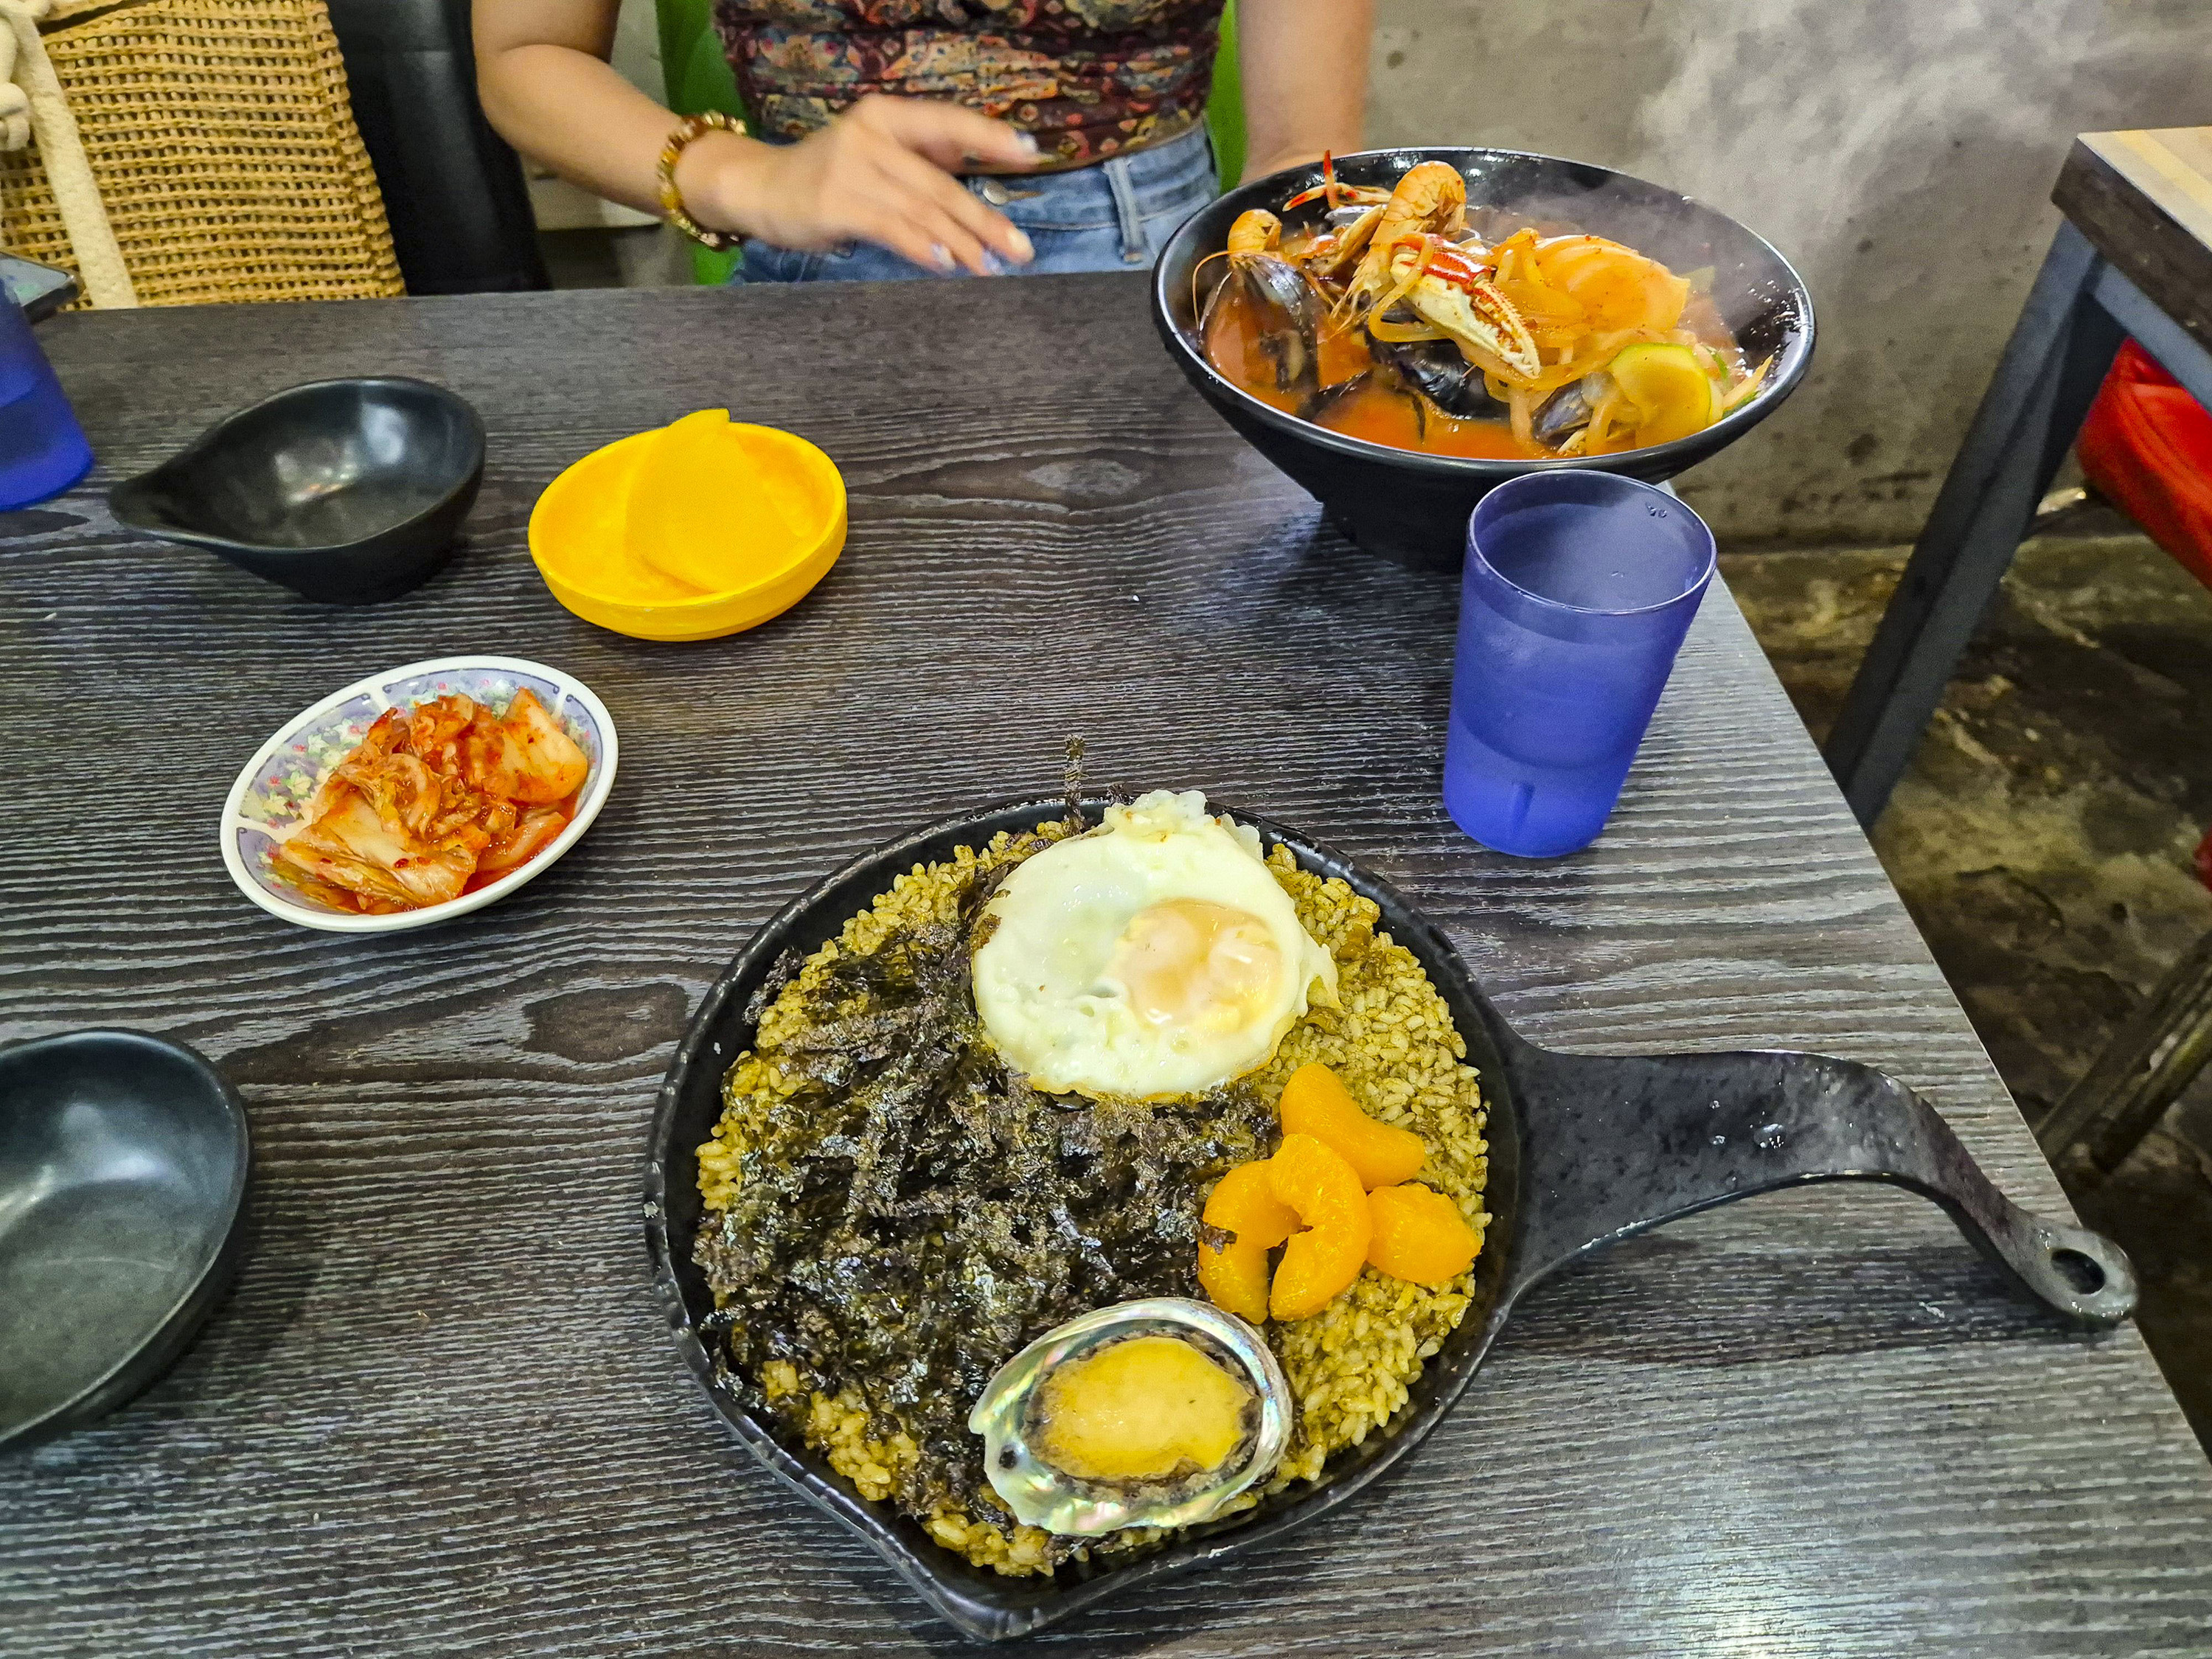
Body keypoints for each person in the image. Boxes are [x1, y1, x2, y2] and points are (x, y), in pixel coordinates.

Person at [476, 1, 1371, 284]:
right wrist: (745, 178)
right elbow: (527, 51)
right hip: (810, 249)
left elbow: (1303, 152)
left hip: (1150, 258)